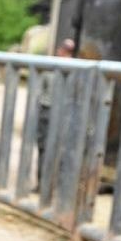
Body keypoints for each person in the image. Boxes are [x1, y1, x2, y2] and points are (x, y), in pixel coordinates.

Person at [35, 38, 76, 188]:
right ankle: (54, 185)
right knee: (60, 148)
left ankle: (44, 183)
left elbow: (40, 90)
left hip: (49, 110)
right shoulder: (76, 69)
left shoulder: (51, 66)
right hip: (62, 113)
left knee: (44, 148)